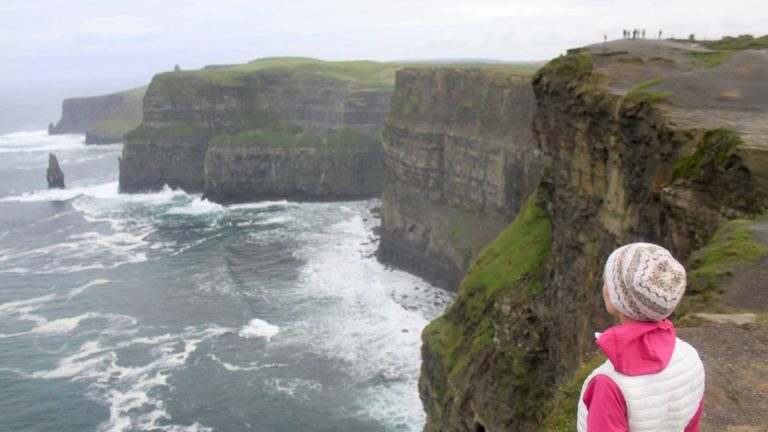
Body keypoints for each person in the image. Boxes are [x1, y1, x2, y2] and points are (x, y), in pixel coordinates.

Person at [577, 243, 705, 432]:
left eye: (609, 281)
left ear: (619, 298)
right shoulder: (690, 356)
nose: (604, 284)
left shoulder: (608, 383)